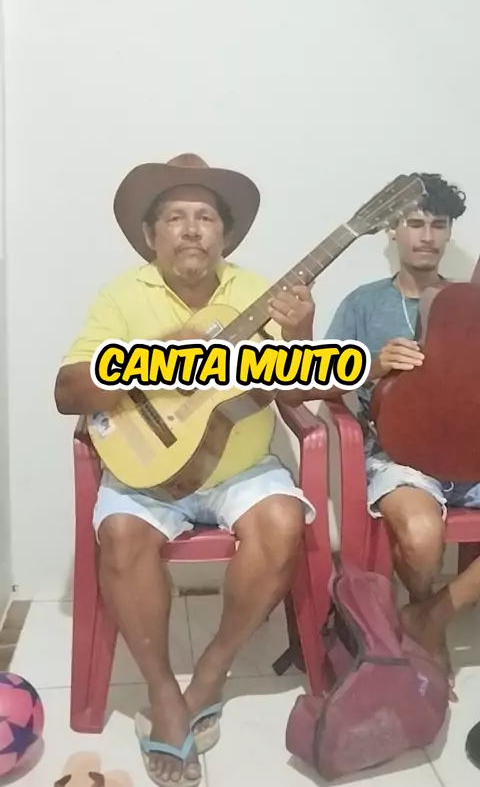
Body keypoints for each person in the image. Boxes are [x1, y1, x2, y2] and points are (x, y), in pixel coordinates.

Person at [54, 153, 317, 787]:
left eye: (205, 217)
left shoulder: (259, 292)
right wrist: (148, 360)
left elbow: (297, 393)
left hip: (240, 469)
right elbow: (67, 391)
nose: (192, 229)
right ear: (152, 234)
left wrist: (301, 335)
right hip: (145, 473)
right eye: (175, 217)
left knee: (283, 523)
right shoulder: (122, 295)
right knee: (121, 535)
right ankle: (163, 693)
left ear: (224, 234)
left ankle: (209, 675)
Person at [284, 172, 478, 697]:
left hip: (472, 452)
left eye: (439, 225)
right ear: (393, 230)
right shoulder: (364, 303)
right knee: (421, 533)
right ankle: (425, 610)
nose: (427, 236)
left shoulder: (470, 303)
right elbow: (306, 383)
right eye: (415, 223)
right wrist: (371, 365)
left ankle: (431, 617)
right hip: (399, 454)